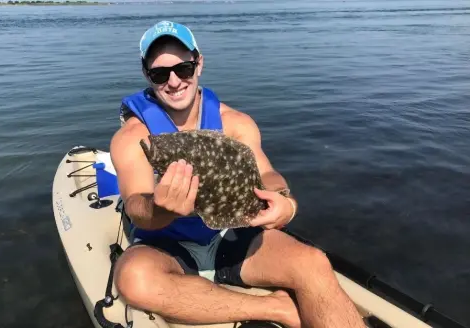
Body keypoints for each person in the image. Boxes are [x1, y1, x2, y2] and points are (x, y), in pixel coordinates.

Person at [110, 21, 365, 328]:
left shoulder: (237, 124)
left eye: (184, 69)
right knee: (133, 279)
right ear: (146, 74)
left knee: (312, 262)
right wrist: (160, 208)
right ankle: (275, 308)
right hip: (165, 245)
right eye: (160, 74)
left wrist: (285, 202)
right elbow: (137, 205)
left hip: (229, 235)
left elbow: (268, 175)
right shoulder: (133, 137)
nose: (174, 82)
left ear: (199, 63)